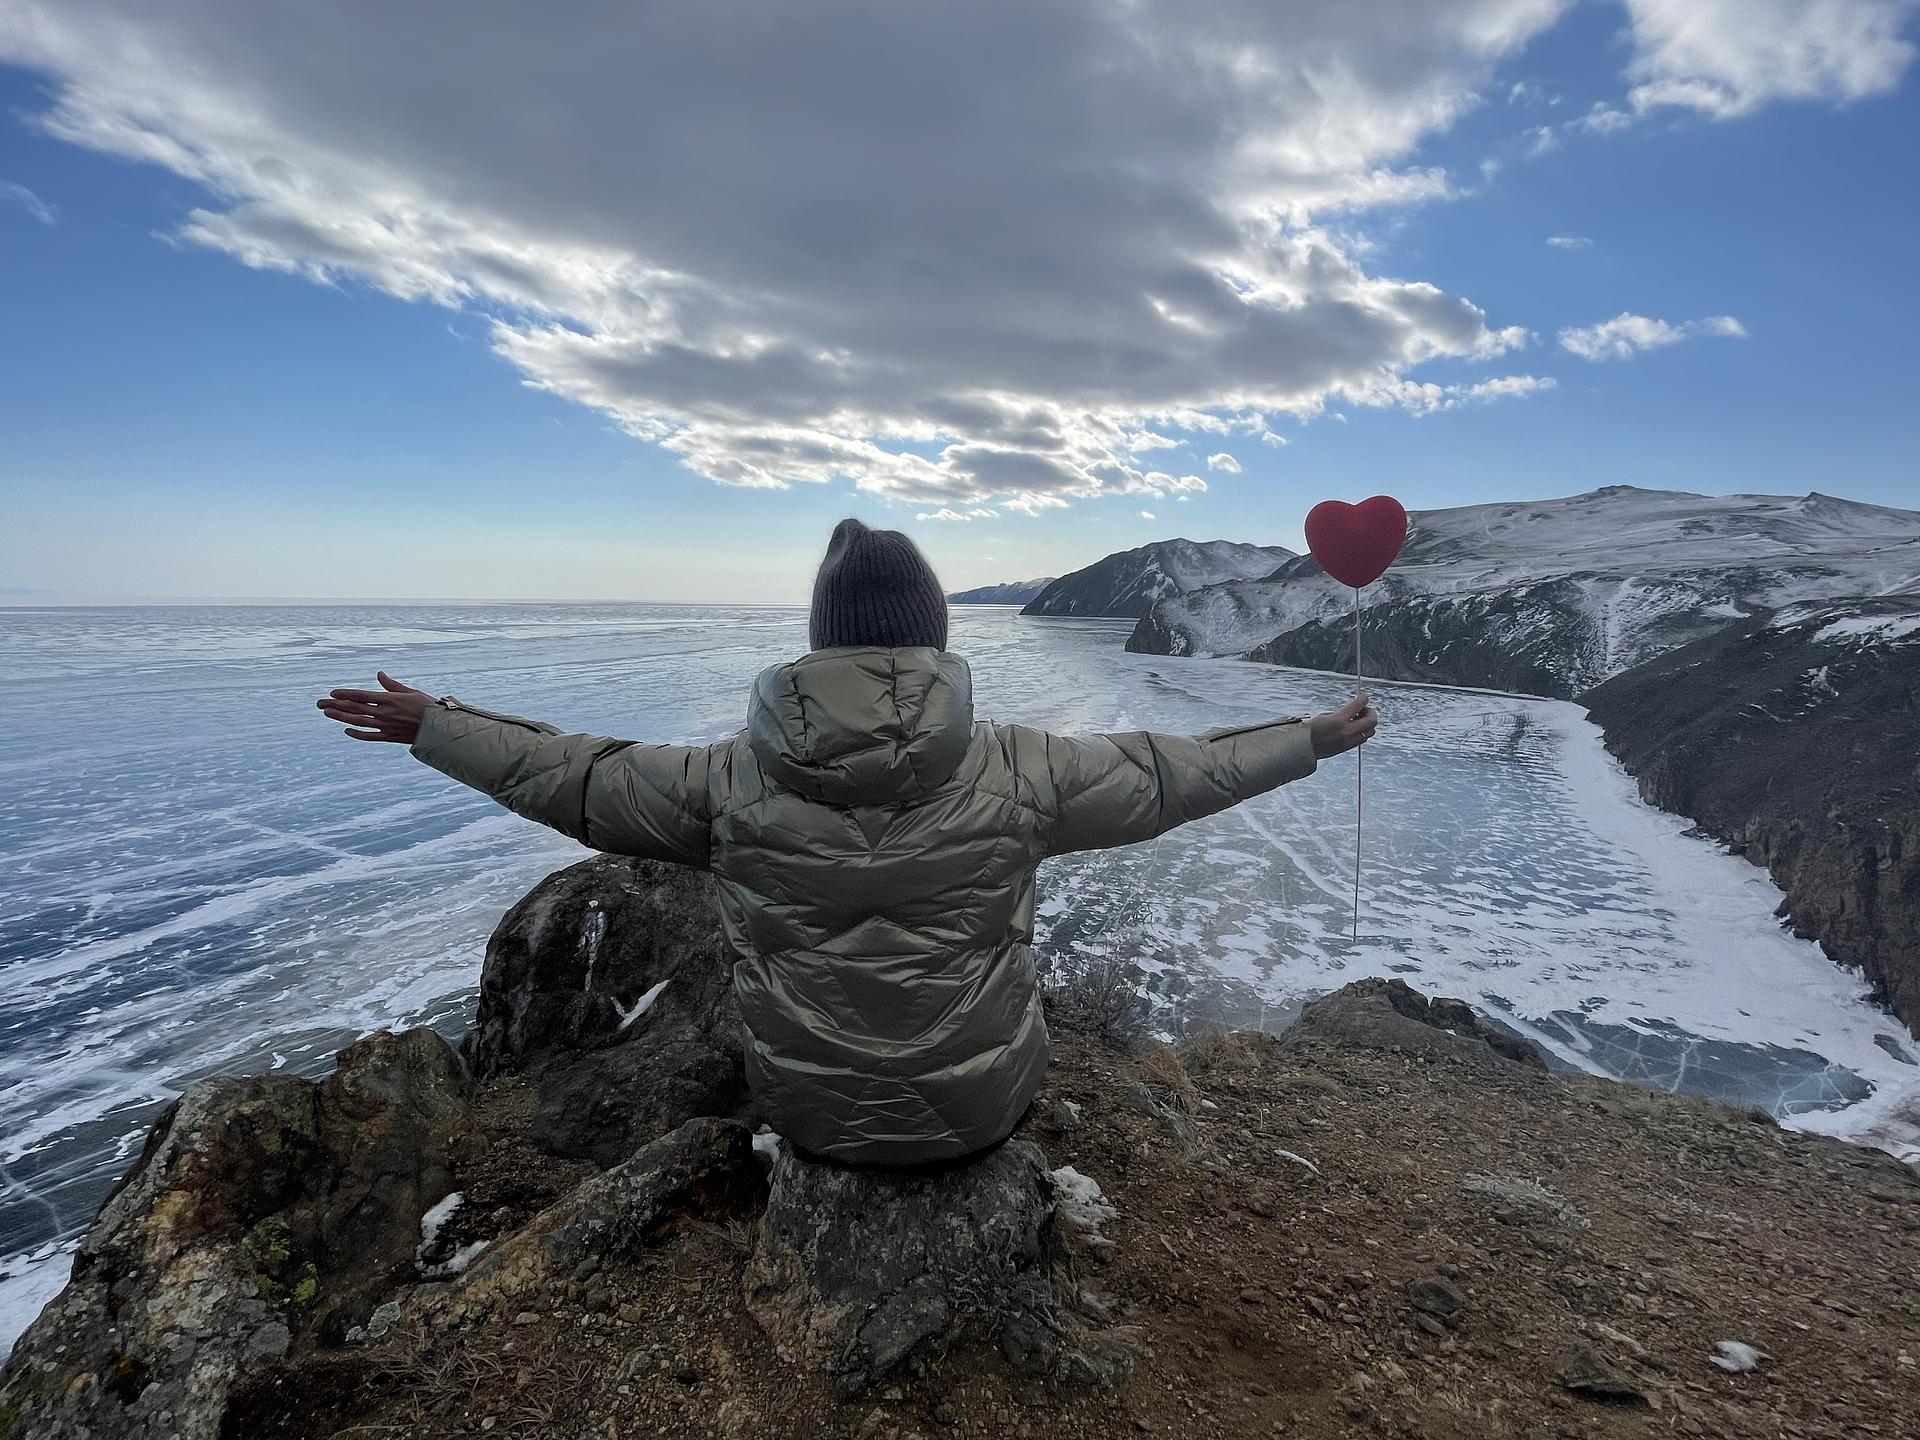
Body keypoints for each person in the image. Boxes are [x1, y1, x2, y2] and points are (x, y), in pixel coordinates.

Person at [317, 518, 1376, 1166]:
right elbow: (1171, 774)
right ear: (935, 637)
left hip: (814, 1116)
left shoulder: (729, 779)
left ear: (823, 642)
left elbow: (580, 779)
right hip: (983, 1114)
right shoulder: (1024, 770)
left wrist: (438, 724)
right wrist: (1309, 740)